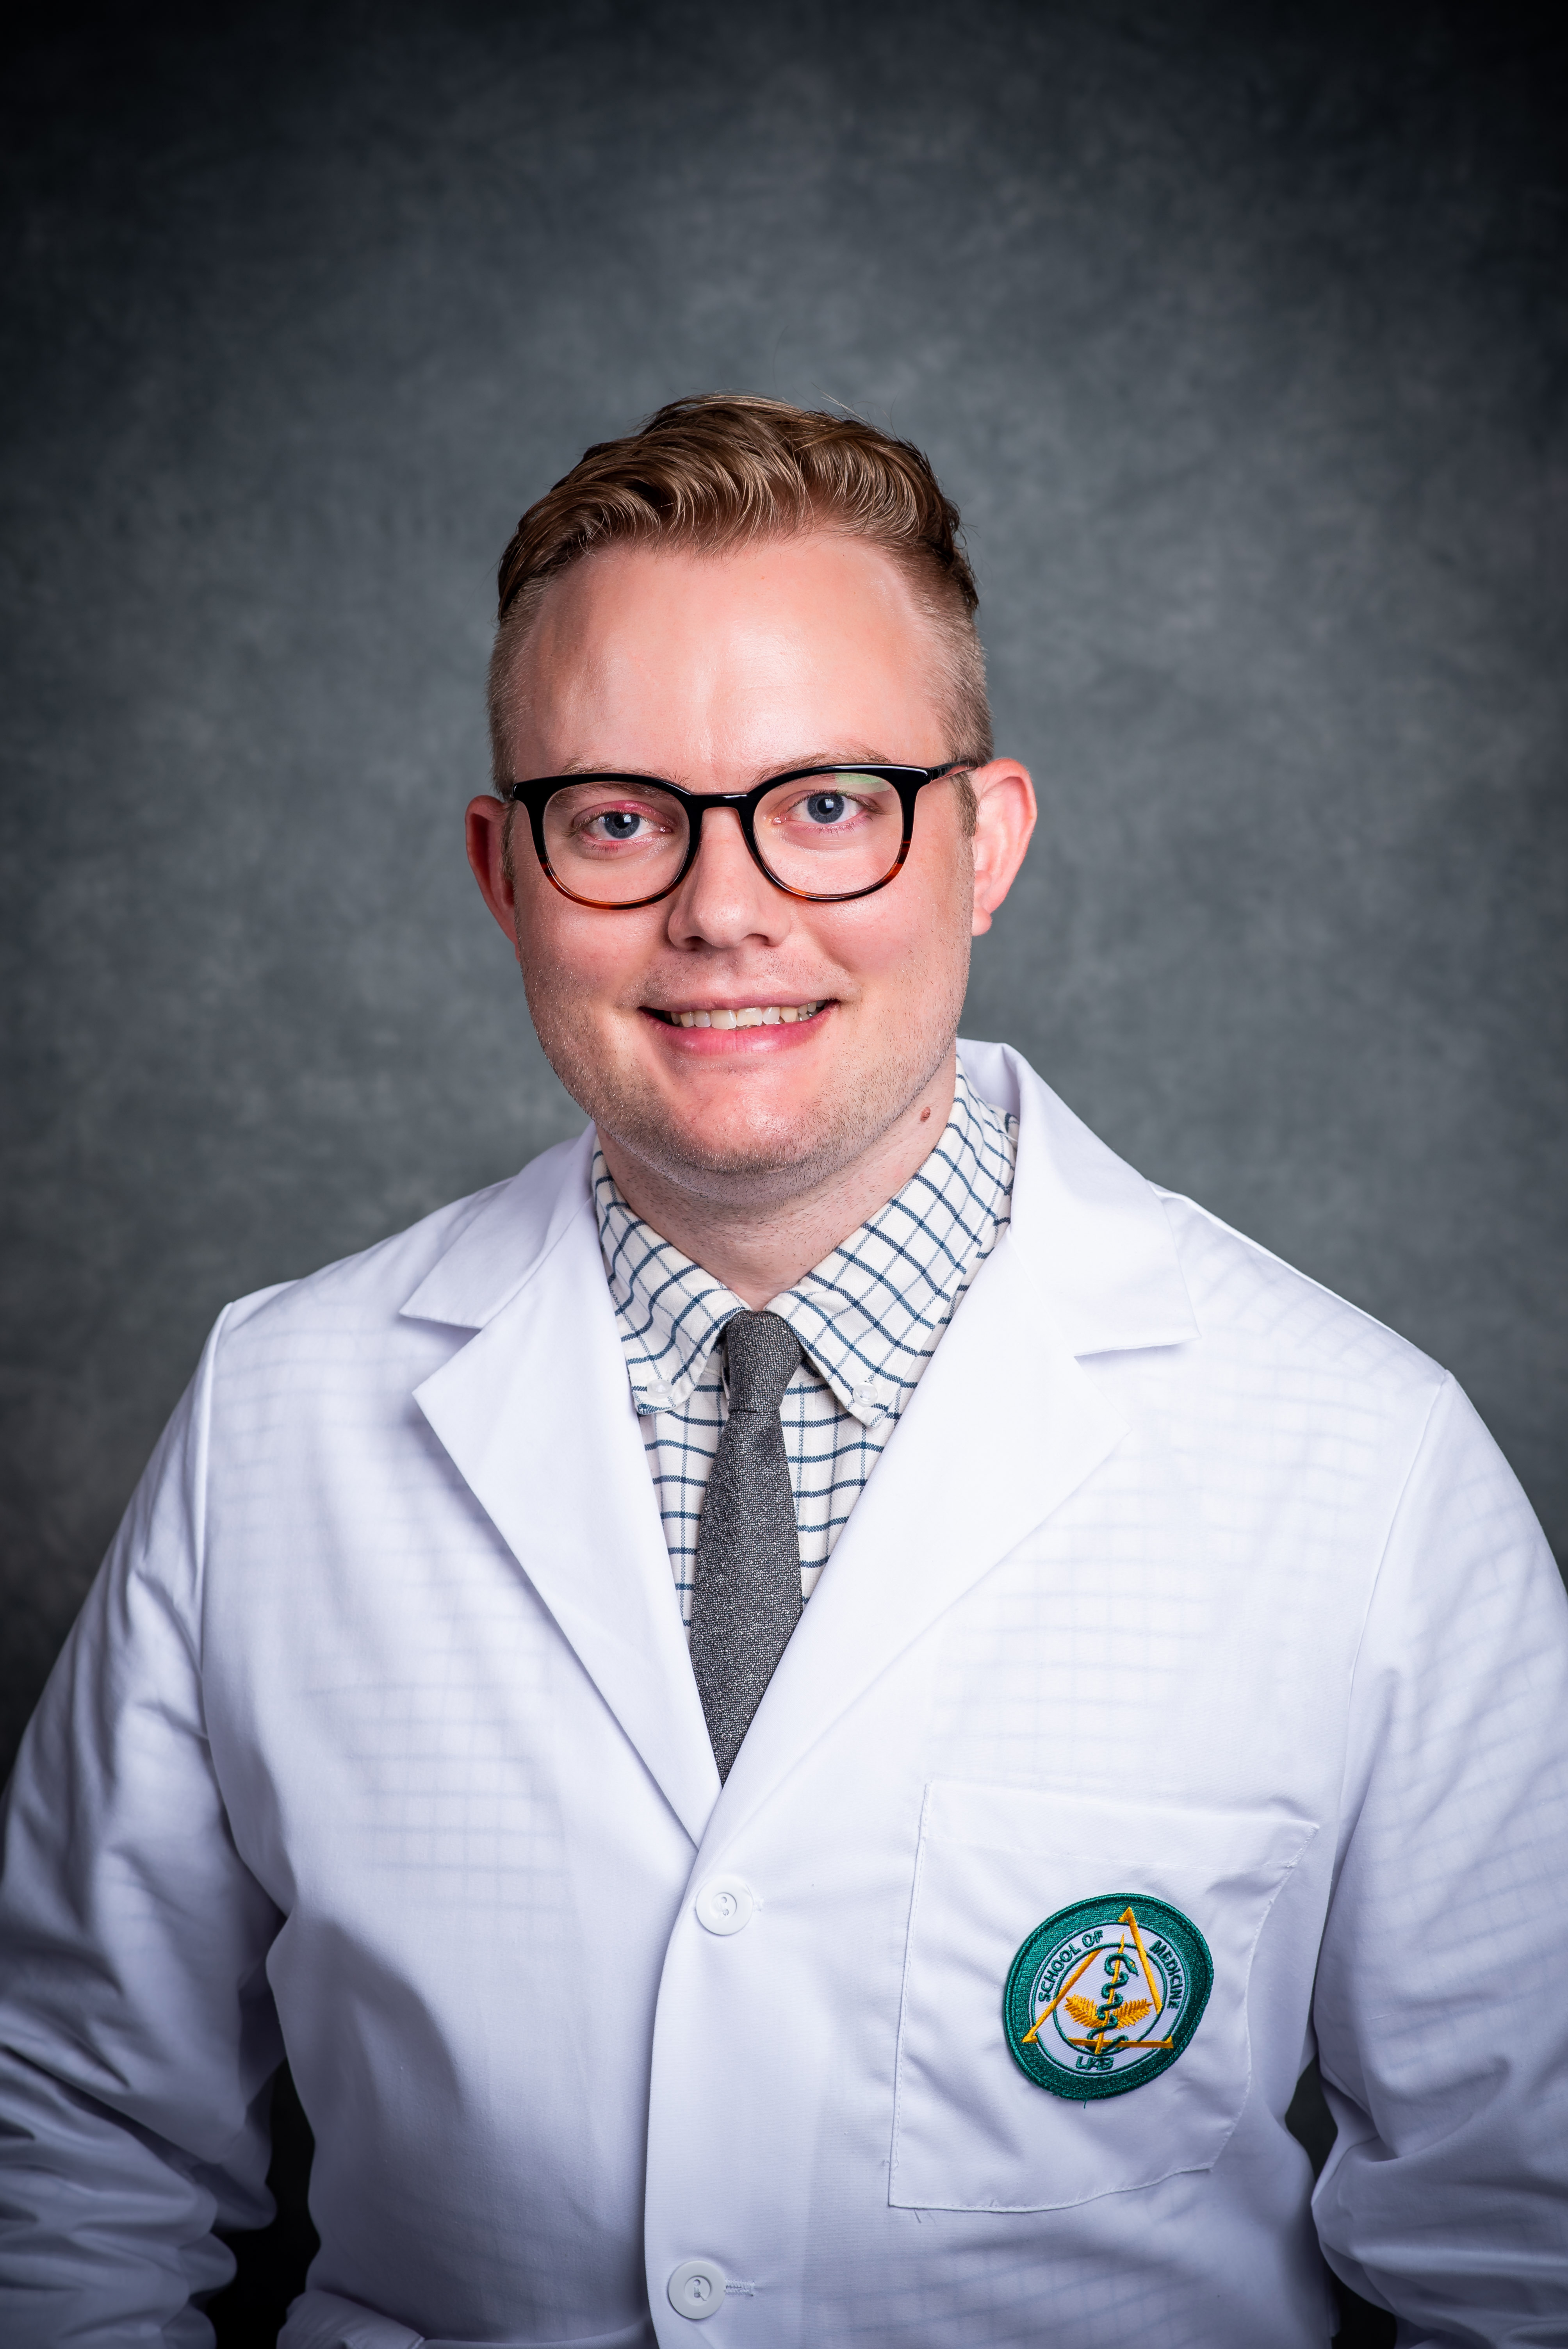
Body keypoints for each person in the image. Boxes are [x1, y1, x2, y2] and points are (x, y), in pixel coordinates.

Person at [0, 395, 1564, 2349]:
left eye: (826, 803)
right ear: (502, 870)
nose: (722, 908)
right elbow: (69, 2146)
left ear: (981, 843)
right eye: (617, 817)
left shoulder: (1363, 1462)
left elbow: (1524, 2244)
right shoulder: (274, 1419)